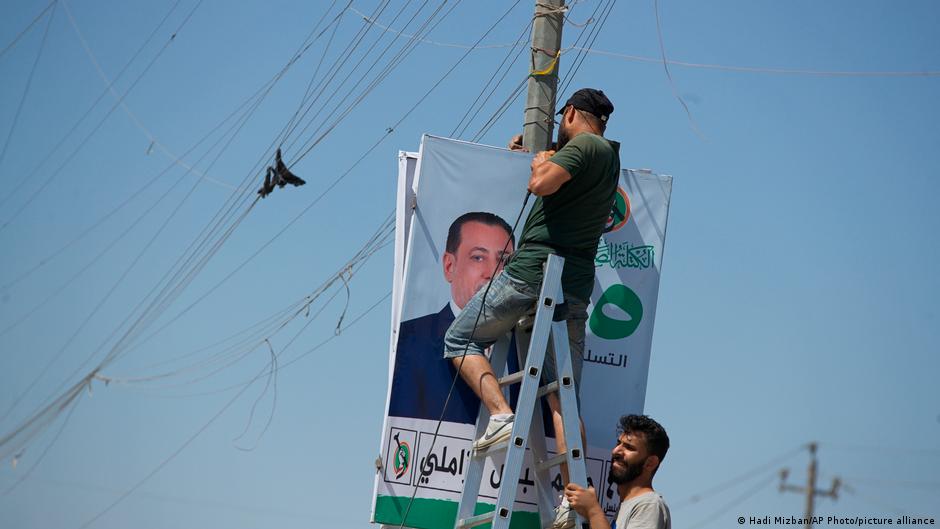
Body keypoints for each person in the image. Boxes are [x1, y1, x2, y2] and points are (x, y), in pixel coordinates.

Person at [443, 88, 620, 529]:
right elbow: (564, 181)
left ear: (573, 113)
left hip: (533, 272)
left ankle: (501, 414)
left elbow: (541, 184)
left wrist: (540, 165)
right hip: (573, 285)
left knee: (459, 338)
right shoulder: (607, 157)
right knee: (564, 395)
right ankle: (571, 499)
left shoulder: (583, 145)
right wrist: (541, 153)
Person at [387, 212, 516, 424]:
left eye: (503, 260)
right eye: (478, 257)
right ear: (449, 266)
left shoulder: (528, 345)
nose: (492, 272)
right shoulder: (411, 339)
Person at [564, 415, 671, 529]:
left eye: (629, 447)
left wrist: (592, 510)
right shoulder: (628, 504)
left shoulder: (649, 505)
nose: (616, 451)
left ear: (650, 463)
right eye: (618, 443)